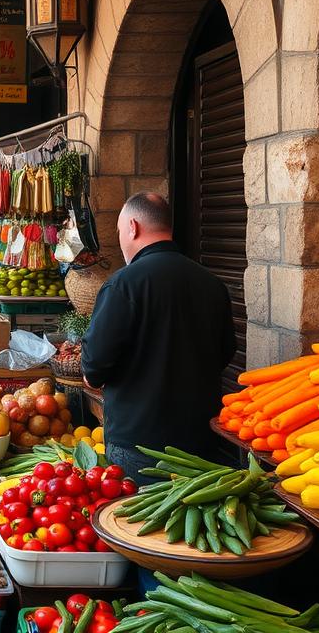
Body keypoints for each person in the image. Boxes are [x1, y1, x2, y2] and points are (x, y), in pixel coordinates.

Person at [82, 192, 236, 478]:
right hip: (202, 445)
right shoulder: (212, 284)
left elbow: (95, 367)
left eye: (119, 231)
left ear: (133, 227)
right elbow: (226, 353)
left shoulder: (123, 285)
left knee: (136, 523)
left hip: (139, 447)